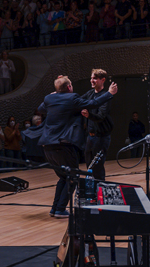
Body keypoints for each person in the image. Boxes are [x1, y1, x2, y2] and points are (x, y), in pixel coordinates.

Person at [35, 75, 117, 218]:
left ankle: (54, 209)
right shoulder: (72, 98)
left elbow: (41, 108)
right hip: (63, 145)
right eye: (71, 84)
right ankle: (60, 209)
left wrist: (54, 93)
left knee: (63, 177)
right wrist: (110, 93)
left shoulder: (49, 99)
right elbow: (93, 103)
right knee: (73, 176)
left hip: (47, 145)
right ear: (69, 87)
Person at [80, 69, 114, 181]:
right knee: (89, 167)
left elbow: (100, 117)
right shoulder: (89, 93)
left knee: (98, 167)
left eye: (94, 78)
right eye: (91, 78)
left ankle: (100, 192)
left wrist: (88, 115)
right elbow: (77, 100)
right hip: (90, 136)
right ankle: (92, 192)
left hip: (101, 137)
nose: (92, 80)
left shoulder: (106, 96)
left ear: (102, 80)